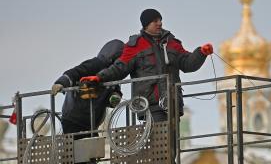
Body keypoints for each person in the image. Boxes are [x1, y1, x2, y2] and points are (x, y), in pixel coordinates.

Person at [80, 8, 213, 122]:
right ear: (146, 24)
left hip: (172, 103)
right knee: (159, 144)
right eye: (155, 21)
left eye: (160, 20)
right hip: (150, 106)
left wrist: (201, 53)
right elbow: (120, 68)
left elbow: (188, 64)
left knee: (172, 146)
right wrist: (99, 77)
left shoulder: (171, 42)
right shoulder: (135, 45)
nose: (159, 23)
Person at [52, 39, 125, 138]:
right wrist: (61, 82)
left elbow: (115, 91)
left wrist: (114, 97)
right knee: (76, 149)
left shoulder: (114, 75)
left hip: (92, 122)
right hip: (74, 118)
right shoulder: (94, 65)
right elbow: (74, 73)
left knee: (94, 150)